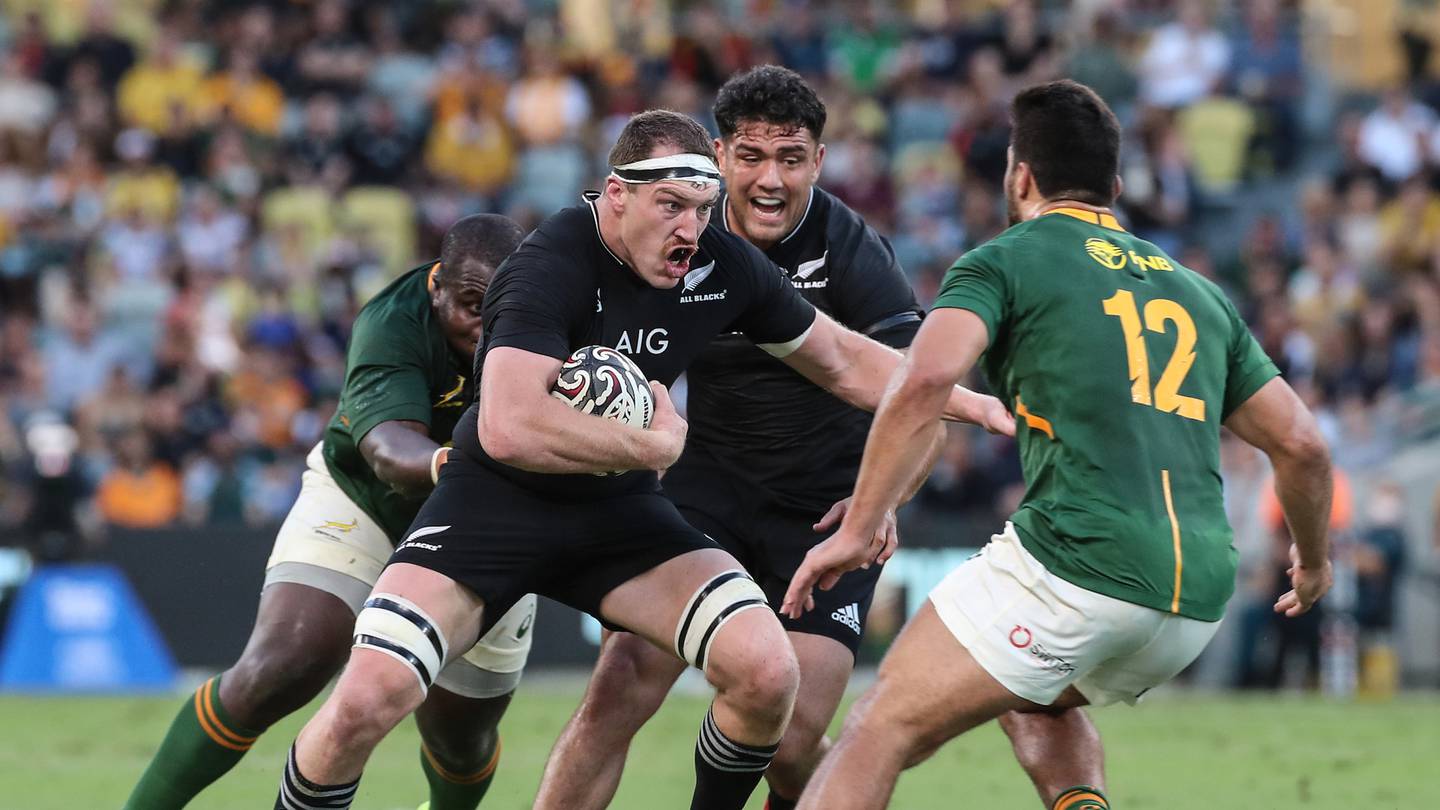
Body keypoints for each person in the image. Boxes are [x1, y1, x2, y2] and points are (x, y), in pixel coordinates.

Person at [270, 109, 1010, 810]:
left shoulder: (720, 263)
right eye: (671, 206)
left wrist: (945, 394)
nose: (692, 227)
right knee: (366, 700)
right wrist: (654, 445)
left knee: (765, 670)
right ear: (616, 196)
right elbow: (508, 425)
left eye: (702, 206)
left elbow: (842, 359)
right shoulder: (548, 260)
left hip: (617, 511)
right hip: (494, 505)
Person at [781, 80, 1336, 810]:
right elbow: (1302, 444)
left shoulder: (1005, 261)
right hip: (1196, 597)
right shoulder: (1199, 294)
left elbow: (925, 380)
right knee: (1032, 690)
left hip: (1079, 563)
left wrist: (859, 530)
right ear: (1113, 185)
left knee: (881, 727)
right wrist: (1315, 560)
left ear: (1020, 176)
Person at [534, 65, 1077, 810]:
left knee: (788, 744)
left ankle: (830, 784)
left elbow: (918, 392)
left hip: (825, 513)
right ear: (719, 156)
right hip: (706, 497)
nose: (769, 179)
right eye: (751, 157)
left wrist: (879, 502)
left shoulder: (851, 249)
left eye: (791, 159)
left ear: (818, 163)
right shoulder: (678, 233)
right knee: (620, 684)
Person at [125, 214, 533, 810]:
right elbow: (391, 452)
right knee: (286, 661)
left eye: (502, 305)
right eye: (472, 304)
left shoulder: (550, 317)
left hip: (492, 528)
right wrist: (465, 465)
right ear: (436, 285)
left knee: (460, 734)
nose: (487, 324)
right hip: (367, 499)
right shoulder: (392, 321)